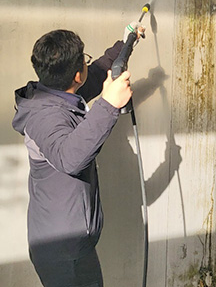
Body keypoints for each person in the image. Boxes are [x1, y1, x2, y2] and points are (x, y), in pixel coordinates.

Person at [12, 25, 142, 287]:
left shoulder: (56, 93)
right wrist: (108, 105)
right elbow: (69, 158)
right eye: (84, 59)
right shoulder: (44, 116)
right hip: (62, 252)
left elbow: (95, 75)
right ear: (75, 74)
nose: (87, 64)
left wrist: (126, 42)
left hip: (70, 241)